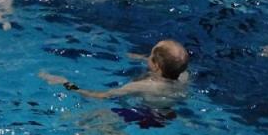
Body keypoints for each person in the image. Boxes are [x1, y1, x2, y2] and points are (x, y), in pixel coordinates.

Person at [38, 39, 190, 99]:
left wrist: (65, 83)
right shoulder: (183, 75)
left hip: (147, 116)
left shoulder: (143, 85)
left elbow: (100, 96)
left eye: (149, 56)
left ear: (156, 65)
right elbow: (169, 63)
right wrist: (142, 58)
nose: (147, 57)